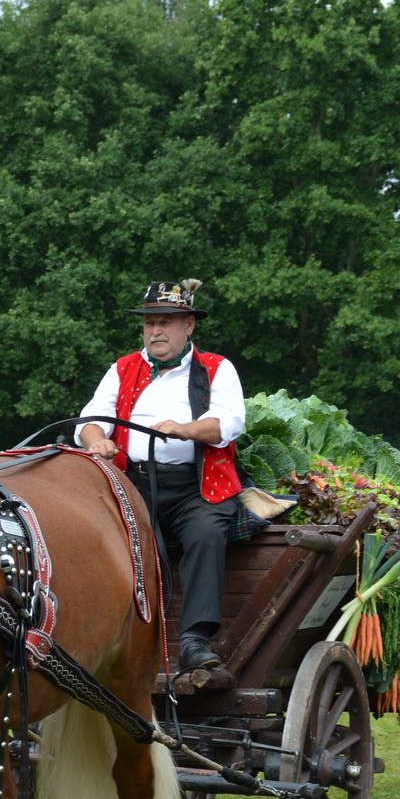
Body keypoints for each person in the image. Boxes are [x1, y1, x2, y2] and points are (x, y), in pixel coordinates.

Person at [78, 278, 246, 673]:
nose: (156, 331)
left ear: (189, 326)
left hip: (196, 488)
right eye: (150, 322)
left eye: (166, 321)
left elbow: (229, 423)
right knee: (123, 541)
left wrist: (184, 429)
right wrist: (95, 441)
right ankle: (120, 636)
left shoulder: (216, 368)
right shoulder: (123, 368)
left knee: (207, 532)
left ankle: (193, 639)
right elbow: (89, 420)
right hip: (133, 485)